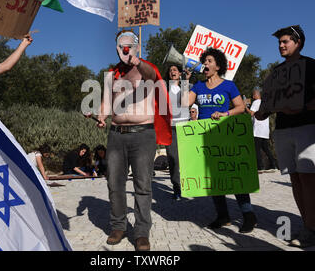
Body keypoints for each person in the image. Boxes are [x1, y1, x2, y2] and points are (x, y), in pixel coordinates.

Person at [93, 30, 171, 251]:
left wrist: (138, 62)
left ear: (136, 46)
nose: (125, 48)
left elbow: (153, 78)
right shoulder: (112, 74)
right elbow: (106, 102)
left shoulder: (146, 68)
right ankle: (118, 226)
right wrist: (102, 116)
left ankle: (141, 232)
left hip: (143, 133)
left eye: (130, 44)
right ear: (117, 47)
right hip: (117, 134)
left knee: (142, 184)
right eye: (121, 45)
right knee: (114, 183)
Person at [255, 25, 315, 248]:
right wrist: (262, 111)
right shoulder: (276, 73)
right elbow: (268, 105)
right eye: (279, 42)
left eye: (285, 41)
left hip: (307, 126)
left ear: (299, 43)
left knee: (307, 176)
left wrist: (302, 107)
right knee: (295, 178)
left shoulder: (312, 66)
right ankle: (308, 226)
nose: (281, 45)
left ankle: (309, 228)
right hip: (283, 128)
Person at [188, 47, 258, 233]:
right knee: (214, 178)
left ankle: (248, 215)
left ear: (218, 66)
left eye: (209, 61)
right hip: (205, 138)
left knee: (232, 175)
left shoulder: (228, 85)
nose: (205, 64)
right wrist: (186, 80)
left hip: (225, 135)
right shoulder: (198, 86)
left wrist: (224, 113)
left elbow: (241, 107)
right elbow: (183, 104)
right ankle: (223, 216)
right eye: (204, 61)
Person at [164, 64, 191, 200]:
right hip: (170, 127)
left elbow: (185, 103)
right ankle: (177, 188)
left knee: (187, 158)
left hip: (184, 125)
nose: (172, 71)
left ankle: (189, 185)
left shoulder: (187, 87)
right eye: (170, 70)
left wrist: (186, 82)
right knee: (173, 158)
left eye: (175, 70)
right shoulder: (164, 88)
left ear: (180, 73)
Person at [245, 89, 277, 172]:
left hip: (257, 130)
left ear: (256, 95)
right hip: (265, 130)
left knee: (256, 149)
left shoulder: (256, 102)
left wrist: (245, 106)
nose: (252, 97)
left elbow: (251, 114)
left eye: (253, 95)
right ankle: (273, 165)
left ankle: (260, 167)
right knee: (266, 148)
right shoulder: (264, 103)